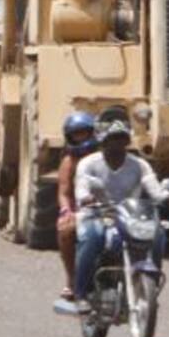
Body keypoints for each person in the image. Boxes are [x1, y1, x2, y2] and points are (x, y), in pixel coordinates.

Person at [73, 120, 169, 306]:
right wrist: (85, 197)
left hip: (130, 216)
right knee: (93, 237)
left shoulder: (140, 165)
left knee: (157, 235)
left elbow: (154, 189)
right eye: (112, 139)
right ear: (102, 142)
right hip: (97, 215)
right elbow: (82, 187)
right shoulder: (88, 163)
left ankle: (150, 288)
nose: (117, 144)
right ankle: (81, 294)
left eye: (122, 139)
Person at [56, 111, 98, 301]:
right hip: (82, 210)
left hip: (108, 208)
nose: (80, 138)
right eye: (76, 134)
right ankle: (72, 278)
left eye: (84, 133)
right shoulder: (69, 162)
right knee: (65, 230)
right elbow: (64, 192)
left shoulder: (105, 156)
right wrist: (67, 211)